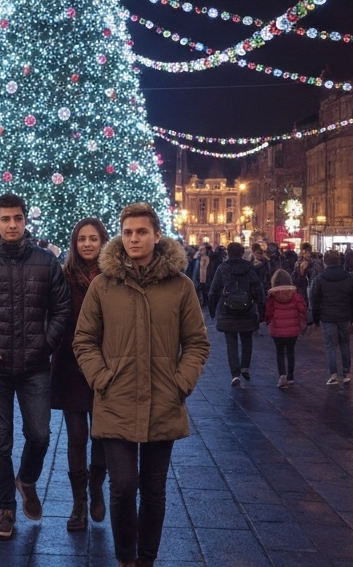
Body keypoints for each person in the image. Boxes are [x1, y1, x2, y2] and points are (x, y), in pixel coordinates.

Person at [73, 202, 210, 567]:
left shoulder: (180, 286)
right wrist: (102, 378)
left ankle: (146, 559)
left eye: (142, 232)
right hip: (115, 398)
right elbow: (84, 339)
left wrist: (181, 383)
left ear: (156, 235)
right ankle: (125, 558)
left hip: (163, 399)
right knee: (122, 487)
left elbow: (196, 341)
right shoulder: (103, 284)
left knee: (153, 490)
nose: (134, 238)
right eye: (128, 232)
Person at [0, 193, 70, 541]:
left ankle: (27, 478)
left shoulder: (45, 262)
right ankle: (4, 509)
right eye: (5, 219)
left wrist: (44, 344)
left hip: (35, 365)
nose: (12, 225)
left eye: (17, 219)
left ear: (25, 222)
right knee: (0, 443)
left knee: (40, 435)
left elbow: (62, 309)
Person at [51, 217, 110, 532]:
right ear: (74, 244)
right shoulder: (63, 278)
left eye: (93, 238)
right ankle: (79, 504)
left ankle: (97, 485)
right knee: (76, 438)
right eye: (81, 239)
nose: (87, 244)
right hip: (71, 368)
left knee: (101, 434)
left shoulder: (114, 276)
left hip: (104, 368)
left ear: (103, 241)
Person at [207, 241, 265, 387]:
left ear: (228, 253)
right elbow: (257, 287)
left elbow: (214, 290)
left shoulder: (223, 267)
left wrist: (212, 310)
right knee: (247, 339)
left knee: (231, 343)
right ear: (241, 253)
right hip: (247, 308)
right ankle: (245, 366)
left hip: (228, 309)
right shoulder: (248, 267)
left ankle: (235, 374)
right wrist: (260, 306)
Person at [311, 249, 353, 385]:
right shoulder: (348, 277)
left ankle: (333, 374)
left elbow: (315, 300)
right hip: (344, 315)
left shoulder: (320, 279)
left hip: (327, 317)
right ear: (339, 261)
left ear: (325, 262)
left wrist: (315, 318)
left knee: (330, 345)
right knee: (345, 344)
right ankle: (346, 373)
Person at [264, 267, 307, 389]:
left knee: (279, 352)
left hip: (277, 329)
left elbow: (268, 313)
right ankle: (291, 375)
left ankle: (282, 374)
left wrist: (267, 321)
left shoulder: (272, 297)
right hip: (293, 329)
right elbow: (303, 309)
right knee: (290, 351)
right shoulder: (296, 296)